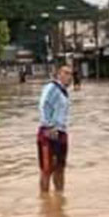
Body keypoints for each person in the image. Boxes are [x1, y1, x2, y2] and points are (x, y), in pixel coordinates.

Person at [37, 63, 73, 192]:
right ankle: (45, 199)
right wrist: (49, 126)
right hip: (49, 132)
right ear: (59, 75)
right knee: (47, 169)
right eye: (66, 73)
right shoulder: (52, 87)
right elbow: (43, 105)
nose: (69, 77)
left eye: (71, 74)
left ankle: (59, 197)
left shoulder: (64, 92)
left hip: (61, 132)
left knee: (60, 167)